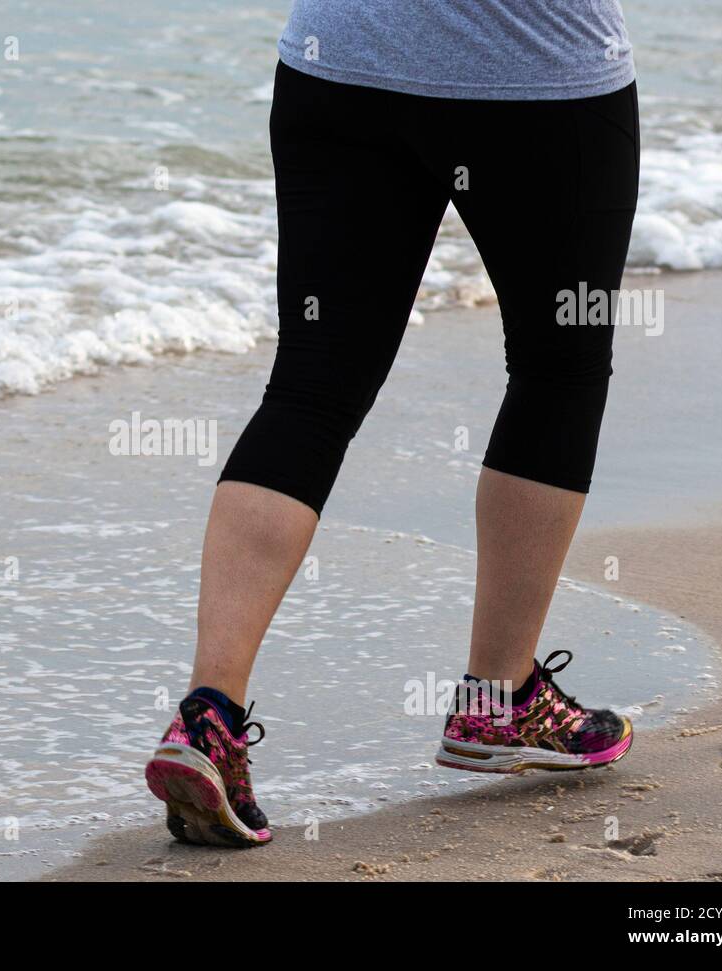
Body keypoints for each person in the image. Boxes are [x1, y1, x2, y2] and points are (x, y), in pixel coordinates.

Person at [145, 0, 641, 846]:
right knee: (558, 370)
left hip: (338, 60)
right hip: (533, 74)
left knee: (310, 387)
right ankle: (499, 699)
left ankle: (207, 717)